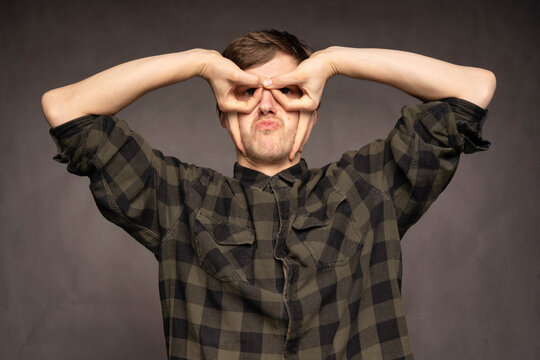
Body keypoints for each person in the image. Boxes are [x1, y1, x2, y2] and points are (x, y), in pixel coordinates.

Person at [42, 30, 496, 359]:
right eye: (246, 91)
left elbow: (473, 90)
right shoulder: (179, 199)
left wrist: (334, 61)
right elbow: (65, 109)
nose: (266, 103)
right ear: (224, 113)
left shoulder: (367, 187)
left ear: (312, 110)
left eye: (287, 90)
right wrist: (198, 62)